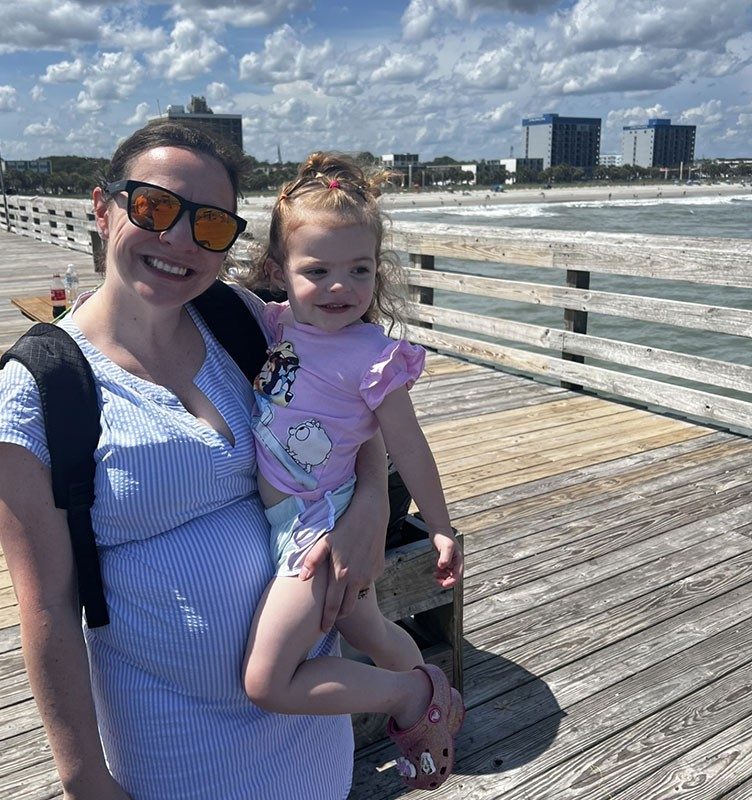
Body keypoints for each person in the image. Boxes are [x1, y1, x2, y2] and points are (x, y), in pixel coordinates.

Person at [0, 121, 391, 800]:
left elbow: (350, 405)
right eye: (155, 208)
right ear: (103, 208)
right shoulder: (39, 392)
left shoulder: (241, 321)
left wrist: (371, 499)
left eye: (210, 225)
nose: (179, 240)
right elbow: (45, 605)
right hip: (176, 740)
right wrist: (83, 778)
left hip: (308, 714)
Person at [241, 153, 465, 790]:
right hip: (290, 514)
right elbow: (208, 295)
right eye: (317, 271)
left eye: (358, 270)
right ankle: (434, 693)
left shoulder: (374, 357)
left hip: (318, 529)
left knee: (266, 681)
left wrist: (443, 528)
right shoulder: (278, 321)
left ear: (376, 270)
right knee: (365, 624)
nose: (340, 287)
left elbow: (411, 447)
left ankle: (409, 698)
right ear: (279, 271)